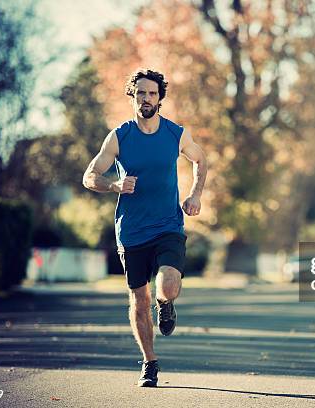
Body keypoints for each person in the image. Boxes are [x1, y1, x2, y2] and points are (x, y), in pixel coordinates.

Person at [82, 68, 207, 387]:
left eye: (152, 93)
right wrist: (115, 185)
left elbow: (200, 159)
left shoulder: (175, 134)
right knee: (138, 298)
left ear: (160, 97)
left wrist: (195, 194)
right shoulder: (119, 136)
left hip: (168, 224)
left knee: (166, 287)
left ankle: (166, 305)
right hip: (132, 231)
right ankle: (149, 363)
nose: (146, 98)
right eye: (141, 93)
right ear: (133, 97)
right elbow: (89, 176)